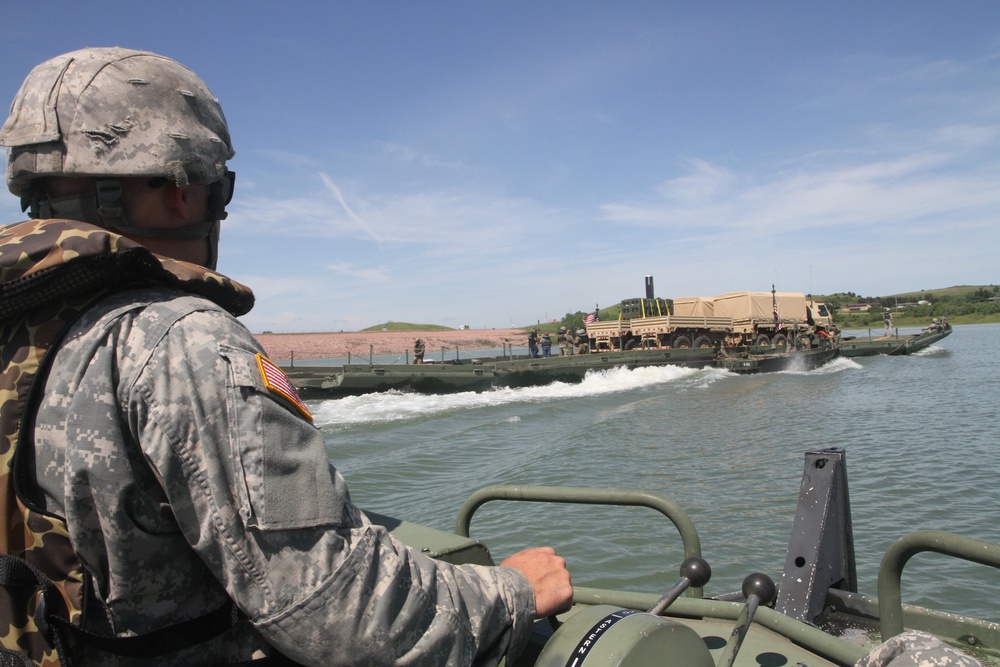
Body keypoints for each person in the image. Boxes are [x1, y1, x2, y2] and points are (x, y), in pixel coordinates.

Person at [0, 47, 571, 666]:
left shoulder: (21, 326)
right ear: (181, 193)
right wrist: (510, 592)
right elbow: (346, 617)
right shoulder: (184, 340)